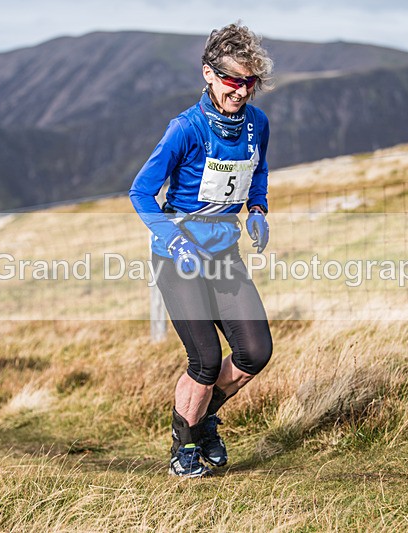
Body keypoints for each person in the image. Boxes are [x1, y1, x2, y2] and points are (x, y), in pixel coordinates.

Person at [129, 23, 274, 478]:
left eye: (250, 82)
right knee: (206, 360)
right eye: (233, 80)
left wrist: (256, 207)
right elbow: (140, 193)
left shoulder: (257, 123)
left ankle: (205, 417)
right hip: (179, 257)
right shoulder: (184, 129)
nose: (242, 91)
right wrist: (171, 238)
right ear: (208, 75)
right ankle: (185, 442)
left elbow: (259, 169)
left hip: (224, 254)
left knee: (255, 351)